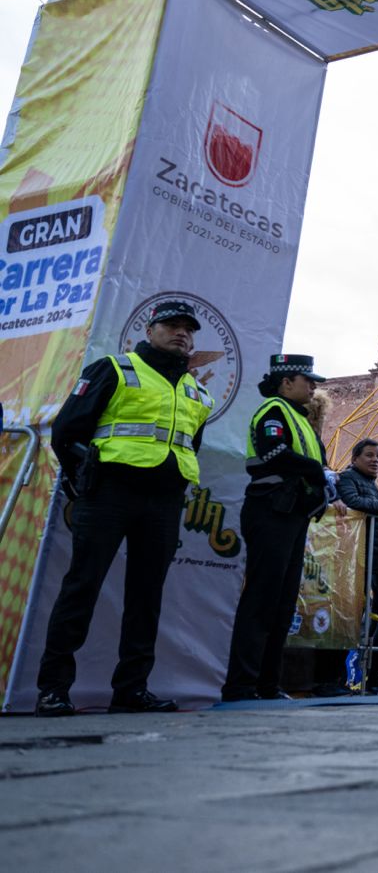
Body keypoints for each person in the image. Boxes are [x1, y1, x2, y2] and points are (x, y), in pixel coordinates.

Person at [35, 300, 214, 716]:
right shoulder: (114, 369)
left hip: (164, 501)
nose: (181, 333)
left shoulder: (196, 390)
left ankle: (131, 689)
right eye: (171, 325)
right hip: (110, 493)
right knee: (82, 587)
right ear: (150, 329)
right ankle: (53, 688)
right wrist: (86, 476)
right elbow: (66, 432)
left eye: (188, 328)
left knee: (146, 598)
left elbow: (190, 444)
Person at [220, 355, 344, 701]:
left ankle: (267, 683)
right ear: (285, 382)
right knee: (262, 598)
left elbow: (314, 462)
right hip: (270, 509)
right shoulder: (272, 411)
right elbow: (275, 452)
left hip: (292, 515)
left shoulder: (301, 419)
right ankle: (241, 684)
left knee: (283, 602)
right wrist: (317, 472)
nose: (314, 386)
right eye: (307, 380)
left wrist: (323, 480)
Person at [337, 439, 378, 667]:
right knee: (349, 616)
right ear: (354, 459)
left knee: (373, 616)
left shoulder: (373, 485)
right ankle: (337, 675)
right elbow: (352, 501)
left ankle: (368, 675)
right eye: (369, 455)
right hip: (353, 558)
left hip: (373, 561)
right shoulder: (349, 478)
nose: (376, 460)